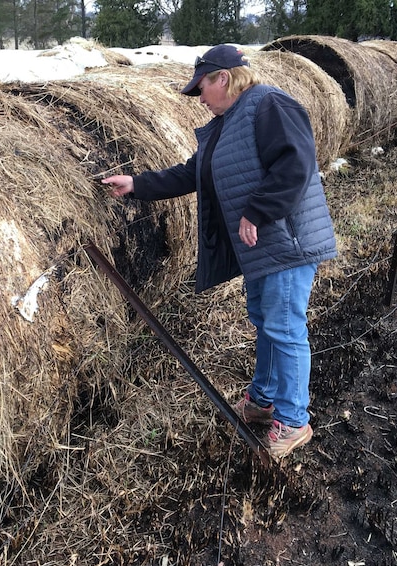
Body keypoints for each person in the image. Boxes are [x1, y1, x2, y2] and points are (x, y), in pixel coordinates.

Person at [102, 44, 337, 460]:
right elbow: (193, 173)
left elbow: (296, 163)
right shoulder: (229, 122)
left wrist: (256, 213)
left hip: (287, 242)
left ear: (222, 78)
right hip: (262, 248)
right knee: (266, 320)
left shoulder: (269, 105)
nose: (200, 98)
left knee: (284, 327)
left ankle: (295, 421)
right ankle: (265, 400)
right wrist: (137, 184)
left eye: (202, 88)